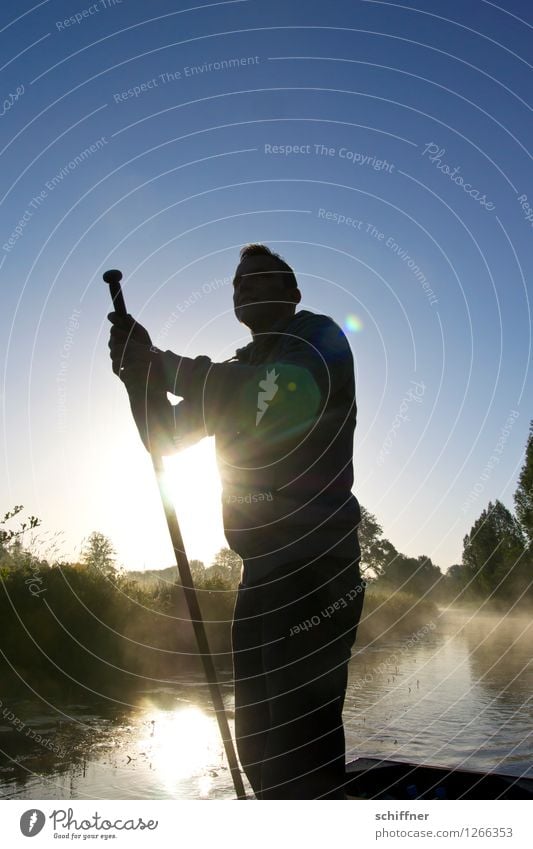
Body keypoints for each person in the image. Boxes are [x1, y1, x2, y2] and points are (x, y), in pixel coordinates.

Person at [108, 244, 365, 799]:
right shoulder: (232, 371)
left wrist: (160, 364)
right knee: (257, 745)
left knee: (302, 749)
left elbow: (278, 396)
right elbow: (163, 437)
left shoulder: (319, 340)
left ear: (292, 292)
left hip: (316, 572)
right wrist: (136, 378)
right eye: (236, 283)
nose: (242, 287)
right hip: (260, 574)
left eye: (258, 278)